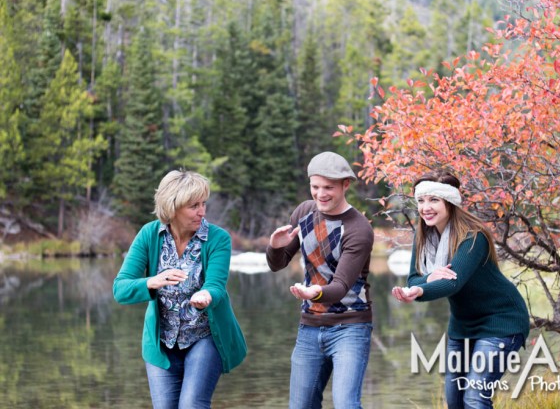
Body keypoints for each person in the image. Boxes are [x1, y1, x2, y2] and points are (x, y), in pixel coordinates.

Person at [391, 170, 530, 409]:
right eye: (422, 200)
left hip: (502, 321)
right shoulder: (423, 236)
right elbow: (414, 279)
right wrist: (429, 278)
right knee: (455, 401)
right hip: (463, 325)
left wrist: (421, 290)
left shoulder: (473, 237)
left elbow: (452, 282)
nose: (426, 207)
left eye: (434, 200)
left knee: (475, 398)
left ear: (450, 201)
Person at [113, 170, 246, 409]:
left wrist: (205, 295)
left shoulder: (218, 239)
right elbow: (120, 289)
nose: (202, 211)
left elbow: (215, 285)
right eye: (193, 206)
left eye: (203, 204)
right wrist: (152, 281)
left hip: (204, 337)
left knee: (192, 404)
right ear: (172, 206)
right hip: (161, 343)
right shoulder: (149, 235)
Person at [266, 151, 374, 409]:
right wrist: (274, 246)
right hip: (310, 326)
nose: (321, 194)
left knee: (346, 404)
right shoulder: (304, 212)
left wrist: (313, 293)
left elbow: (339, 287)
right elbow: (277, 264)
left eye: (329, 187)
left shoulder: (359, 229)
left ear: (345, 185)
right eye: (315, 187)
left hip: (350, 327)